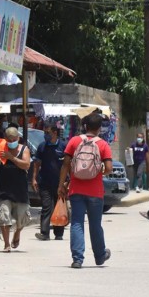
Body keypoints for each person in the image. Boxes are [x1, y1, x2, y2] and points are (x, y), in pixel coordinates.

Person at [58, 113, 112, 269]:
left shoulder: (74, 141)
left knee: (77, 223)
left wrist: (61, 185)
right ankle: (100, 256)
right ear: (100, 128)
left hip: (76, 189)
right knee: (95, 224)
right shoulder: (103, 145)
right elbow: (108, 169)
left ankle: (77, 259)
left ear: (85, 126)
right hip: (95, 191)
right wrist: (95, 171)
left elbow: (65, 165)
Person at [0, 127, 31, 253]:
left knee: (23, 218)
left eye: (14, 139)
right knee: (3, 216)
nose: (12, 141)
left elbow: (26, 165)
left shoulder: (24, 149)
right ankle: (6, 244)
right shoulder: (1, 149)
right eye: (9, 140)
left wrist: (11, 157)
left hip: (20, 190)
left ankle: (17, 233)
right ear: (5, 139)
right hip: (4, 189)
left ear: (18, 138)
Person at [32, 126, 67, 241]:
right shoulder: (42, 146)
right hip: (45, 182)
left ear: (55, 133)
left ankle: (59, 234)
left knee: (59, 207)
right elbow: (37, 163)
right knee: (46, 207)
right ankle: (44, 233)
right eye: (45, 132)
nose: (46, 135)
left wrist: (69, 181)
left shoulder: (63, 146)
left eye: (48, 132)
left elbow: (68, 164)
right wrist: (34, 179)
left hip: (60, 183)